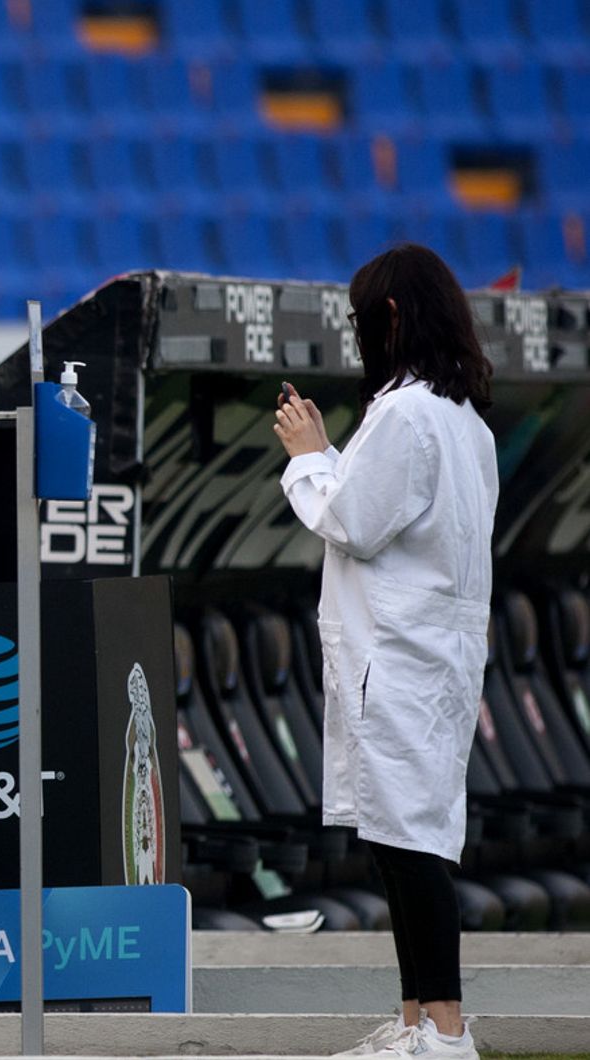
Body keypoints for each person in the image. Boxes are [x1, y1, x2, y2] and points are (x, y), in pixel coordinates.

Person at [274, 244, 496, 1060]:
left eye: (364, 321)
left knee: (409, 844)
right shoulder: (463, 418)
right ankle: (416, 1021)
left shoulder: (405, 414)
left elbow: (355, 522)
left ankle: (443, 1028)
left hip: (400, 656)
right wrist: (329, 460)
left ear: (392, 318)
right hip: (427, 652)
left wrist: (308, 458)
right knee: (402, 836)